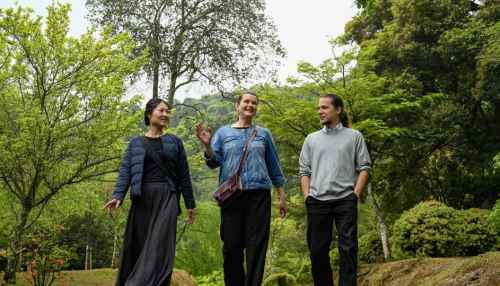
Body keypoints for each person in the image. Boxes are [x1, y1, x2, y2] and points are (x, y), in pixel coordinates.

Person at [195, 91, 287, 286]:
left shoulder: (264, 134)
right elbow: (214, 162)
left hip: (259, 195)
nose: (250, 105)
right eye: (246, 102)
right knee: (231, 246)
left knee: (256, 247)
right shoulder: (223, 133)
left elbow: (274, 166)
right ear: (237, 106)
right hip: (231, 196)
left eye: (254, 103)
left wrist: (281, 195)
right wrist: (207, 146)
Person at [104, 98, 196, 286]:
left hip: (167, 197)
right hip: (142, 199)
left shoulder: (175, 142)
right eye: (161, 110)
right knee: (139, 246)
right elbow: (125, 171)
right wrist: (118, 195)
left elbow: (184, 175)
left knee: (159, 245)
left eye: (167, 111)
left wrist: (190, 204)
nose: (165, 114)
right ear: (149, 114)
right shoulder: (135, 143)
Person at [299, 94, 371, 286]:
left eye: (324, 107)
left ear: (338, 110)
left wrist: (355, 194)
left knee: (348, 249)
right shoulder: (311, 139)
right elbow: (304, 171)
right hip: (317, 201)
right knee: (317, 251)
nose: (320, 111)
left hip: (345, 200)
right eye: (318, 108)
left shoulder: (354, 136)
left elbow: (364, 167)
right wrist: (307, 196)